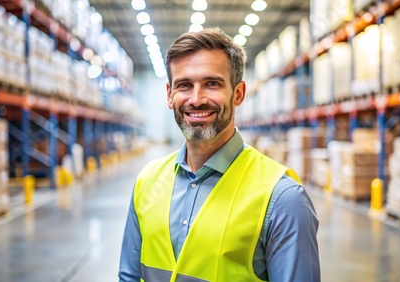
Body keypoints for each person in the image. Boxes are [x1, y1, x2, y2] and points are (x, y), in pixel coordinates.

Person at [119, 27, 320, 282]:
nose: (196, 98)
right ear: (170, 95)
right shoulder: (146, 182)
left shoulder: (283, 199)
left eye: (211, 83)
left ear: (238, 93)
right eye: (184, 85)